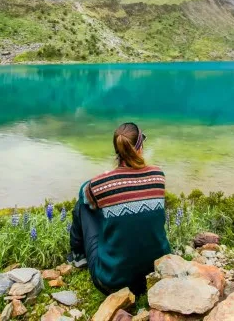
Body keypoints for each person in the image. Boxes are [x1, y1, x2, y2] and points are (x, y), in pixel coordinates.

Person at [68, 122, 170, 295]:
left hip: (112, 282)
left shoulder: (99, 184)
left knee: (82, 206)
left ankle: (78, 256)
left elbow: (84, 196)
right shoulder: (158, 175)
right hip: (156, 275)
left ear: (117, 150)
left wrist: (105, 179)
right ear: (140, 147)